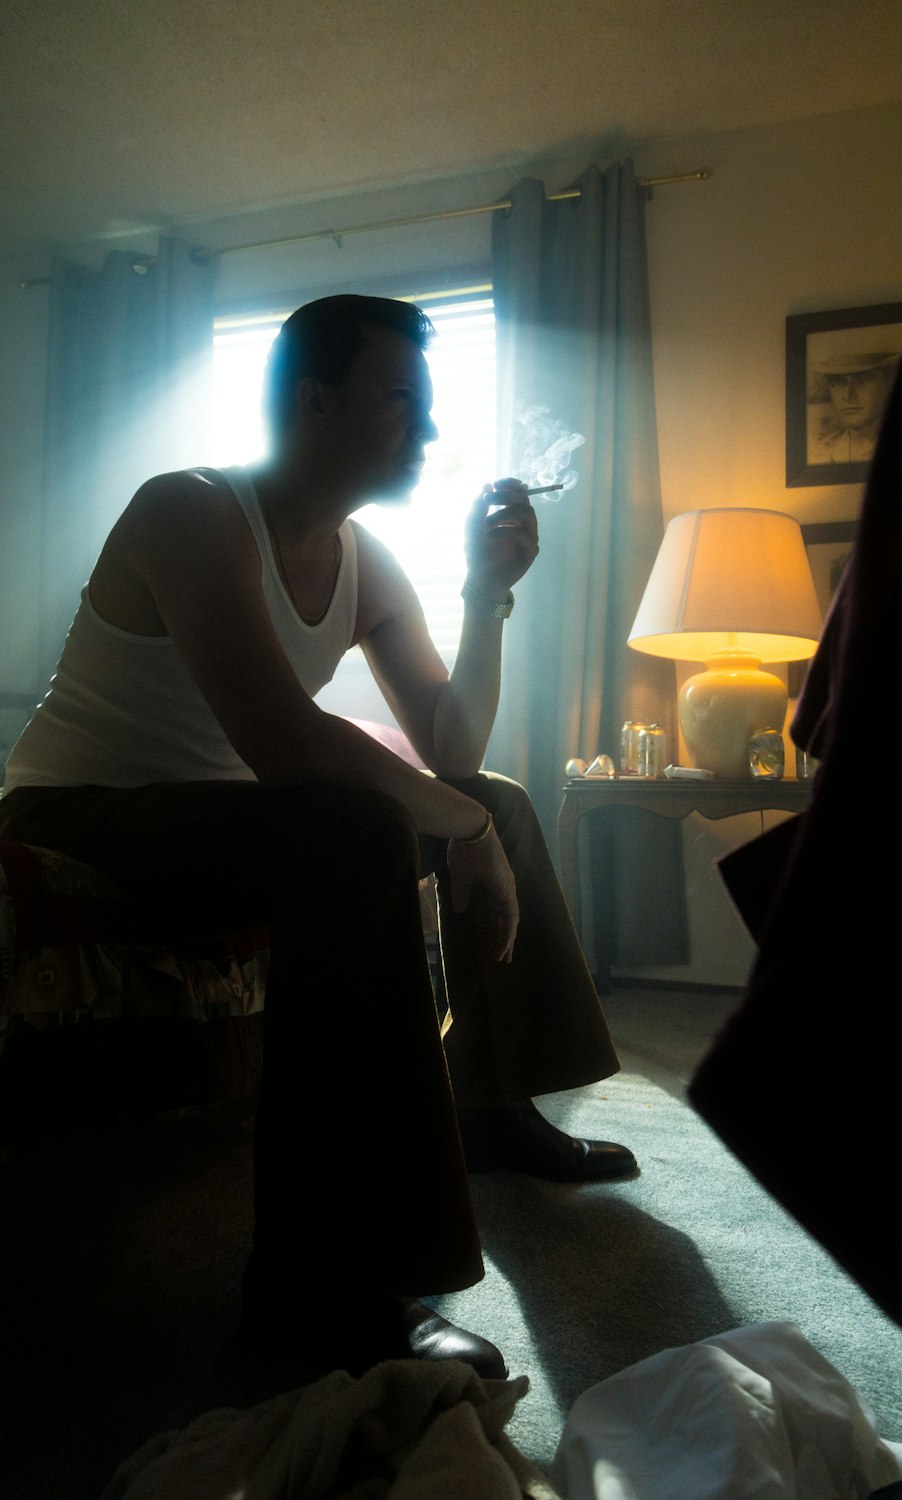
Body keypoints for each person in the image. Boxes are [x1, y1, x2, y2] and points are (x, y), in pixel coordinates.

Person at [0, 294, 635, 1379]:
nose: (428, 433)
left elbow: (449, 744)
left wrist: (486, 599)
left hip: (223, 820)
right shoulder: (191, 511)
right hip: (85, 812)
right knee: (351, 831)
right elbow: (284, 742)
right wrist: (455, 818)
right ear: (314, 400)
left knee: (502, 795)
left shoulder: (364, 560)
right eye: (404, 404)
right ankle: (324, 1289)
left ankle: (489, 1103)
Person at [812, 350, 898, 463]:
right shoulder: (819, 453)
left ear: (889, 383)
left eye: (861, 380)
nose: (847, 395)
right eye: (838, 383)